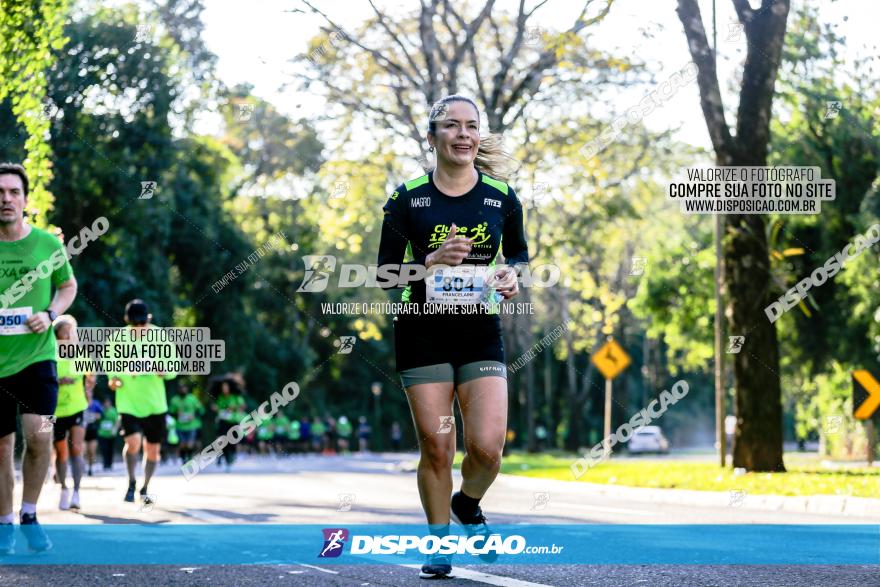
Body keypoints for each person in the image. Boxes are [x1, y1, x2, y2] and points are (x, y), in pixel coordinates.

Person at [376, 96, 528, 578]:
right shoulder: (408, 197)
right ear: (432, 136)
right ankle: (438, 544)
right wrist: (430, 264)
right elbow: (384, 275)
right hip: (421, 331)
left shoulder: (501, 197)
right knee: (438, 447)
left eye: (471, 126)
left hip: (478, 330)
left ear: (479, 136)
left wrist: (511, 275)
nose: (463, 135)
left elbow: (520, 256)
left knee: (487, 448)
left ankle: (468, 501)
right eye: (451, 126)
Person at [0, 163, 78, 552]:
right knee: (0, 449)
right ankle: (5, 524)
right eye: (0, 192)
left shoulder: (48, 245)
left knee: (39, 437)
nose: (6, 198)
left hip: (36, 358)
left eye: (14, 192)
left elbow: (67, 285)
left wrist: (49, 314)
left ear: (25, 200)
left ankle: (30, 512)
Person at [108, 299, 176, 504]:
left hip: (155, 404)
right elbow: (111, 370)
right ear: (128, 321)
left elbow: (173, 367)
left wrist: (163, 370)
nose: (138, 328)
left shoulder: (160, 337)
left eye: (142, 324)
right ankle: (131, 482)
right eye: (134, 324)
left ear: (148, 319)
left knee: (153, 449)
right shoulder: (117, 339)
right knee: (133, 442)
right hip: (128, 402)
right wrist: (115, 381)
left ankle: (145, 487)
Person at [52, 315, 95, 510]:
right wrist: (59, 382)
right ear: (56, 333)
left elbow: (90, 376)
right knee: (61, 451)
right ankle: (63, 488)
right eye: (64, 330)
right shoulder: (49, 352)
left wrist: (89, 389)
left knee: (76, 448)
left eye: (71, 330)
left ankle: (77, 492)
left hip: (78, 406)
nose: (69, 334)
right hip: (55, 409)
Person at [210, 377, 245, 471]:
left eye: (226, 387)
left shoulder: (235, 396)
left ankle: (231, 455)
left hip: (233, 422)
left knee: (232, 442)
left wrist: (234, 408)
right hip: (223, 422)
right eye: (223, 387)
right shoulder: (220, 397)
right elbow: (215, 407)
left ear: (230, 387)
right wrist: (215, 408)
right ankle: (226, 460)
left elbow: (242, 406)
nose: (224, 389)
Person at [168, 383, 203, 464]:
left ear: (187, 389)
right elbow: (170, 413)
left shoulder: (192, 399)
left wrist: (194, 416)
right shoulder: (174, 400)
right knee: (182, 444)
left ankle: (190, 458)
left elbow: (201, 410)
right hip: (180, 426)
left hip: (191, 426)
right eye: (181, 388)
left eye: (184, 388)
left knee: (190, 444)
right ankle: (184, 459)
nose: (183, 390)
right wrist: (177, 414)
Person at [83, 388, 103, 475]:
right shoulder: (80, 403)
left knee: (91, 451)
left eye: (89, 392)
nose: (87, 394)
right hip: (82, 430)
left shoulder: (96, 403)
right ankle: (82, 466)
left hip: (93, 430)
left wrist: (93, 416)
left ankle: (90, 468)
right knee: (83, 450)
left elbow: (101, 414)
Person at [96, 397, 118, 471]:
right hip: (102, 434)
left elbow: (117, 421)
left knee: (110, 449)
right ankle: (105, 464)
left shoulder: (113, 411)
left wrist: (114, 429)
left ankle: (110, 464)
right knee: (104, 449)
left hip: (111, 434)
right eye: (105, 402)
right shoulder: (101, 410)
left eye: (107, 402)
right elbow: (97, 419)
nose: (106, 404)